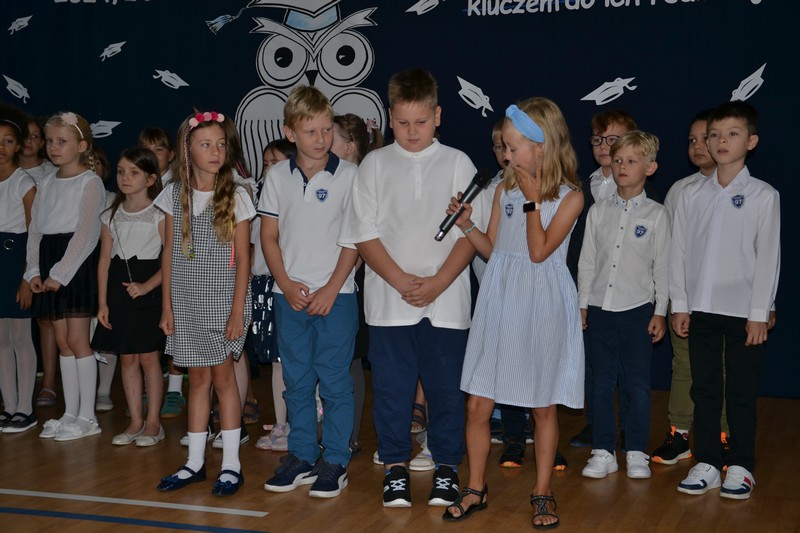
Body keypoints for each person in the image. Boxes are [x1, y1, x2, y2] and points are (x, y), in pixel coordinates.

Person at [339, 68, 485, 509]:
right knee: (392, 391)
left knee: (446, 391)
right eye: (402, 122)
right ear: (390, 117)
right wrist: (400, 280)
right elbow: (363, 233)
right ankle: (396, 468)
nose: (412, 131)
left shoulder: (458, 162)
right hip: (389, 302)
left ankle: (447, 468)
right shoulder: (374, 164)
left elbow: (470, 234)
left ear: (438, 116)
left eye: (421, 122)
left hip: (447, 301)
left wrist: (438, 282)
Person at [442, 98, 583, 529]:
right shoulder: (504, 190)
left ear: (543, 146)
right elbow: (494, 250)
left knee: (542, 406)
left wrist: (534, 201)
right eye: (503, 146)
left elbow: (539, 253)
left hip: (541, 303)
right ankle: (475, 487)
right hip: (500, 299)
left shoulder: (571, 197)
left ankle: (542, 491)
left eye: (513, 146)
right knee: (477, 404)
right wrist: (467, 225)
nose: (506, 154)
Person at [671, 101, 780, 500]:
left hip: (743, 313)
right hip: (701, 309)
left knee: (740, 392)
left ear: (751, 141)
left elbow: (768, 257)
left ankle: (741, 466)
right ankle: (708, 462)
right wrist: (680, 304)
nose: (720, 141)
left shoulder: (763, 195)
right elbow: (679, 252)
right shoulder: (690, 194)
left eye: (732, 134)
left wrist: (759, 312)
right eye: (714, 134)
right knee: (704, 389)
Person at [260, 86, 359, 499]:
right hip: (289, 297)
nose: (320, 139)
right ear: (290, 133)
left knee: (334, 382)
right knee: (297, 382)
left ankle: (335, 460)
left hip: (337, 296)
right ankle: (301, 455)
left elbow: (354, 240)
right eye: (310, 131)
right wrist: (285, 283)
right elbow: (268, 236)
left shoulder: (350, 176)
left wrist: (331, 289)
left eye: (326, 130)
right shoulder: (276, 177)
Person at [154, 111, 254, 496]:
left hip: (222, 303)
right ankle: (194, 462)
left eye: (221, 145)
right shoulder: (173, 195)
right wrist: (167, 306)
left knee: (224, 379)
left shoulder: (237, 195)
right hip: (185, 302)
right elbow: (168, 253)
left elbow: (243, 258)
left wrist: (237, 311)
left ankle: (231, 464)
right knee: (197, 380)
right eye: (206, 145)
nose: (215, 152)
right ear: (187, 150)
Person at [578, 131, 670, 480]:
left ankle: (636, 451)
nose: (622, 167)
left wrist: (660, 310)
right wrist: (583, 304)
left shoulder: (657, 214)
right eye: (617, 160)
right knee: (601, 382)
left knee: (638, 384)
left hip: (638, 309)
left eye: (631, 161)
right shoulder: (597, 211)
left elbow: (662, 268)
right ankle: (603, 451)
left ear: (650, 167)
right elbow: (587, 262)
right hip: (600, 308)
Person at [652, 110, 730, 465]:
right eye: (691, 140)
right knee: (683, 365)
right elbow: (670, 250)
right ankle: (679, 434)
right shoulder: (681, 190)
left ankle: (723, 436)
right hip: (685, 297)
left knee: (722, 367)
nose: (698, 146)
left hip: (727, 299)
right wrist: (671, 299)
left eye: (706, 138)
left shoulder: (746, 191)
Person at [25, 111, 106, 441]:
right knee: (61, 341)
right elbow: (35, 230)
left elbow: (87, 233)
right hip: (50, 259)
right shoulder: (46, 181)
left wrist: (60, 273)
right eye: (50, 141)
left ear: (81, 146)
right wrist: (33, 269)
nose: (54, 147)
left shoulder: (90, 182)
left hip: (75, 265)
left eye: (62, 141)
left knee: (77, 340)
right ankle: (70, 412)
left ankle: (88, 416)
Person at [569, 109, 639, 450]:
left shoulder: (643, 193)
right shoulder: (579, 187)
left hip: (628, 293)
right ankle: (596, 424)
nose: (603, 146)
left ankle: (628, 427)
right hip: (590, 290)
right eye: (598, 139)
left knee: (627, 367)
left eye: (613, 139)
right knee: (593, 364)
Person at [92, 147, 166, 446]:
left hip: (149, 288)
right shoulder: (110, 215)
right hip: (119, 289)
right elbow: (104, 261)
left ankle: (153, 422)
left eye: (134, 172)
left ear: (150, 179)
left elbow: (170, 260)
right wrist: (102, 303)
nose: (125, 177)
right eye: (121, 171)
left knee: (149, 358)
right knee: (126, 358)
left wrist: (147, 286)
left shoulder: (159, 214)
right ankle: (135, 420)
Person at [331, 113, 384, 456]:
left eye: (330, 136)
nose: (321, 141)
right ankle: (330, 432)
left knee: (351, 359)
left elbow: (364, 237)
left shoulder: (363, 182)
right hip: (332, 278)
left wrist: (346, 273)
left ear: (350, 147)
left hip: (355, 281)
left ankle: (349, 435)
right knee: (333, 360)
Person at [251, 138, 295, 452]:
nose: (268, 169)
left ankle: (301, 424)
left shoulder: (295, 198)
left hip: (289, 284)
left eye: (275, 163)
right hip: (263, 285)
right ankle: (281, 424)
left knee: (295, 358)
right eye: (265, 163)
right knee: (276, 362)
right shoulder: (257, 198)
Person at [138, 126, 185, 419]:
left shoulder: (178, 187)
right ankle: (153, 385)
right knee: (151, 329)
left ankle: (175, 389)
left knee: (173, 327)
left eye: (159, 150)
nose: (153, 156)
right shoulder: (138, 182)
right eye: (147, 150)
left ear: (171, 154)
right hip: (146, 263)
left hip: (173, 263)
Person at [0, 104, 38, 434]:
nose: (1, 147)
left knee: (21, 336)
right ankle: (9, 405)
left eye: (8, 141)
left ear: (19, 145)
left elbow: (34, 232)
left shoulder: (23, 182)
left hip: (16, 259)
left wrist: (28, 276)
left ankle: (25, 407)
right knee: (1, 339)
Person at [18, 117, 58, 408]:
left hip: (41, 249)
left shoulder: (50, 173)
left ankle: (48, 383)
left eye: (35, 136)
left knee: (46, 320)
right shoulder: (9, 170)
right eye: (25, 136)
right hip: (11, 250)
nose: (29, 141)